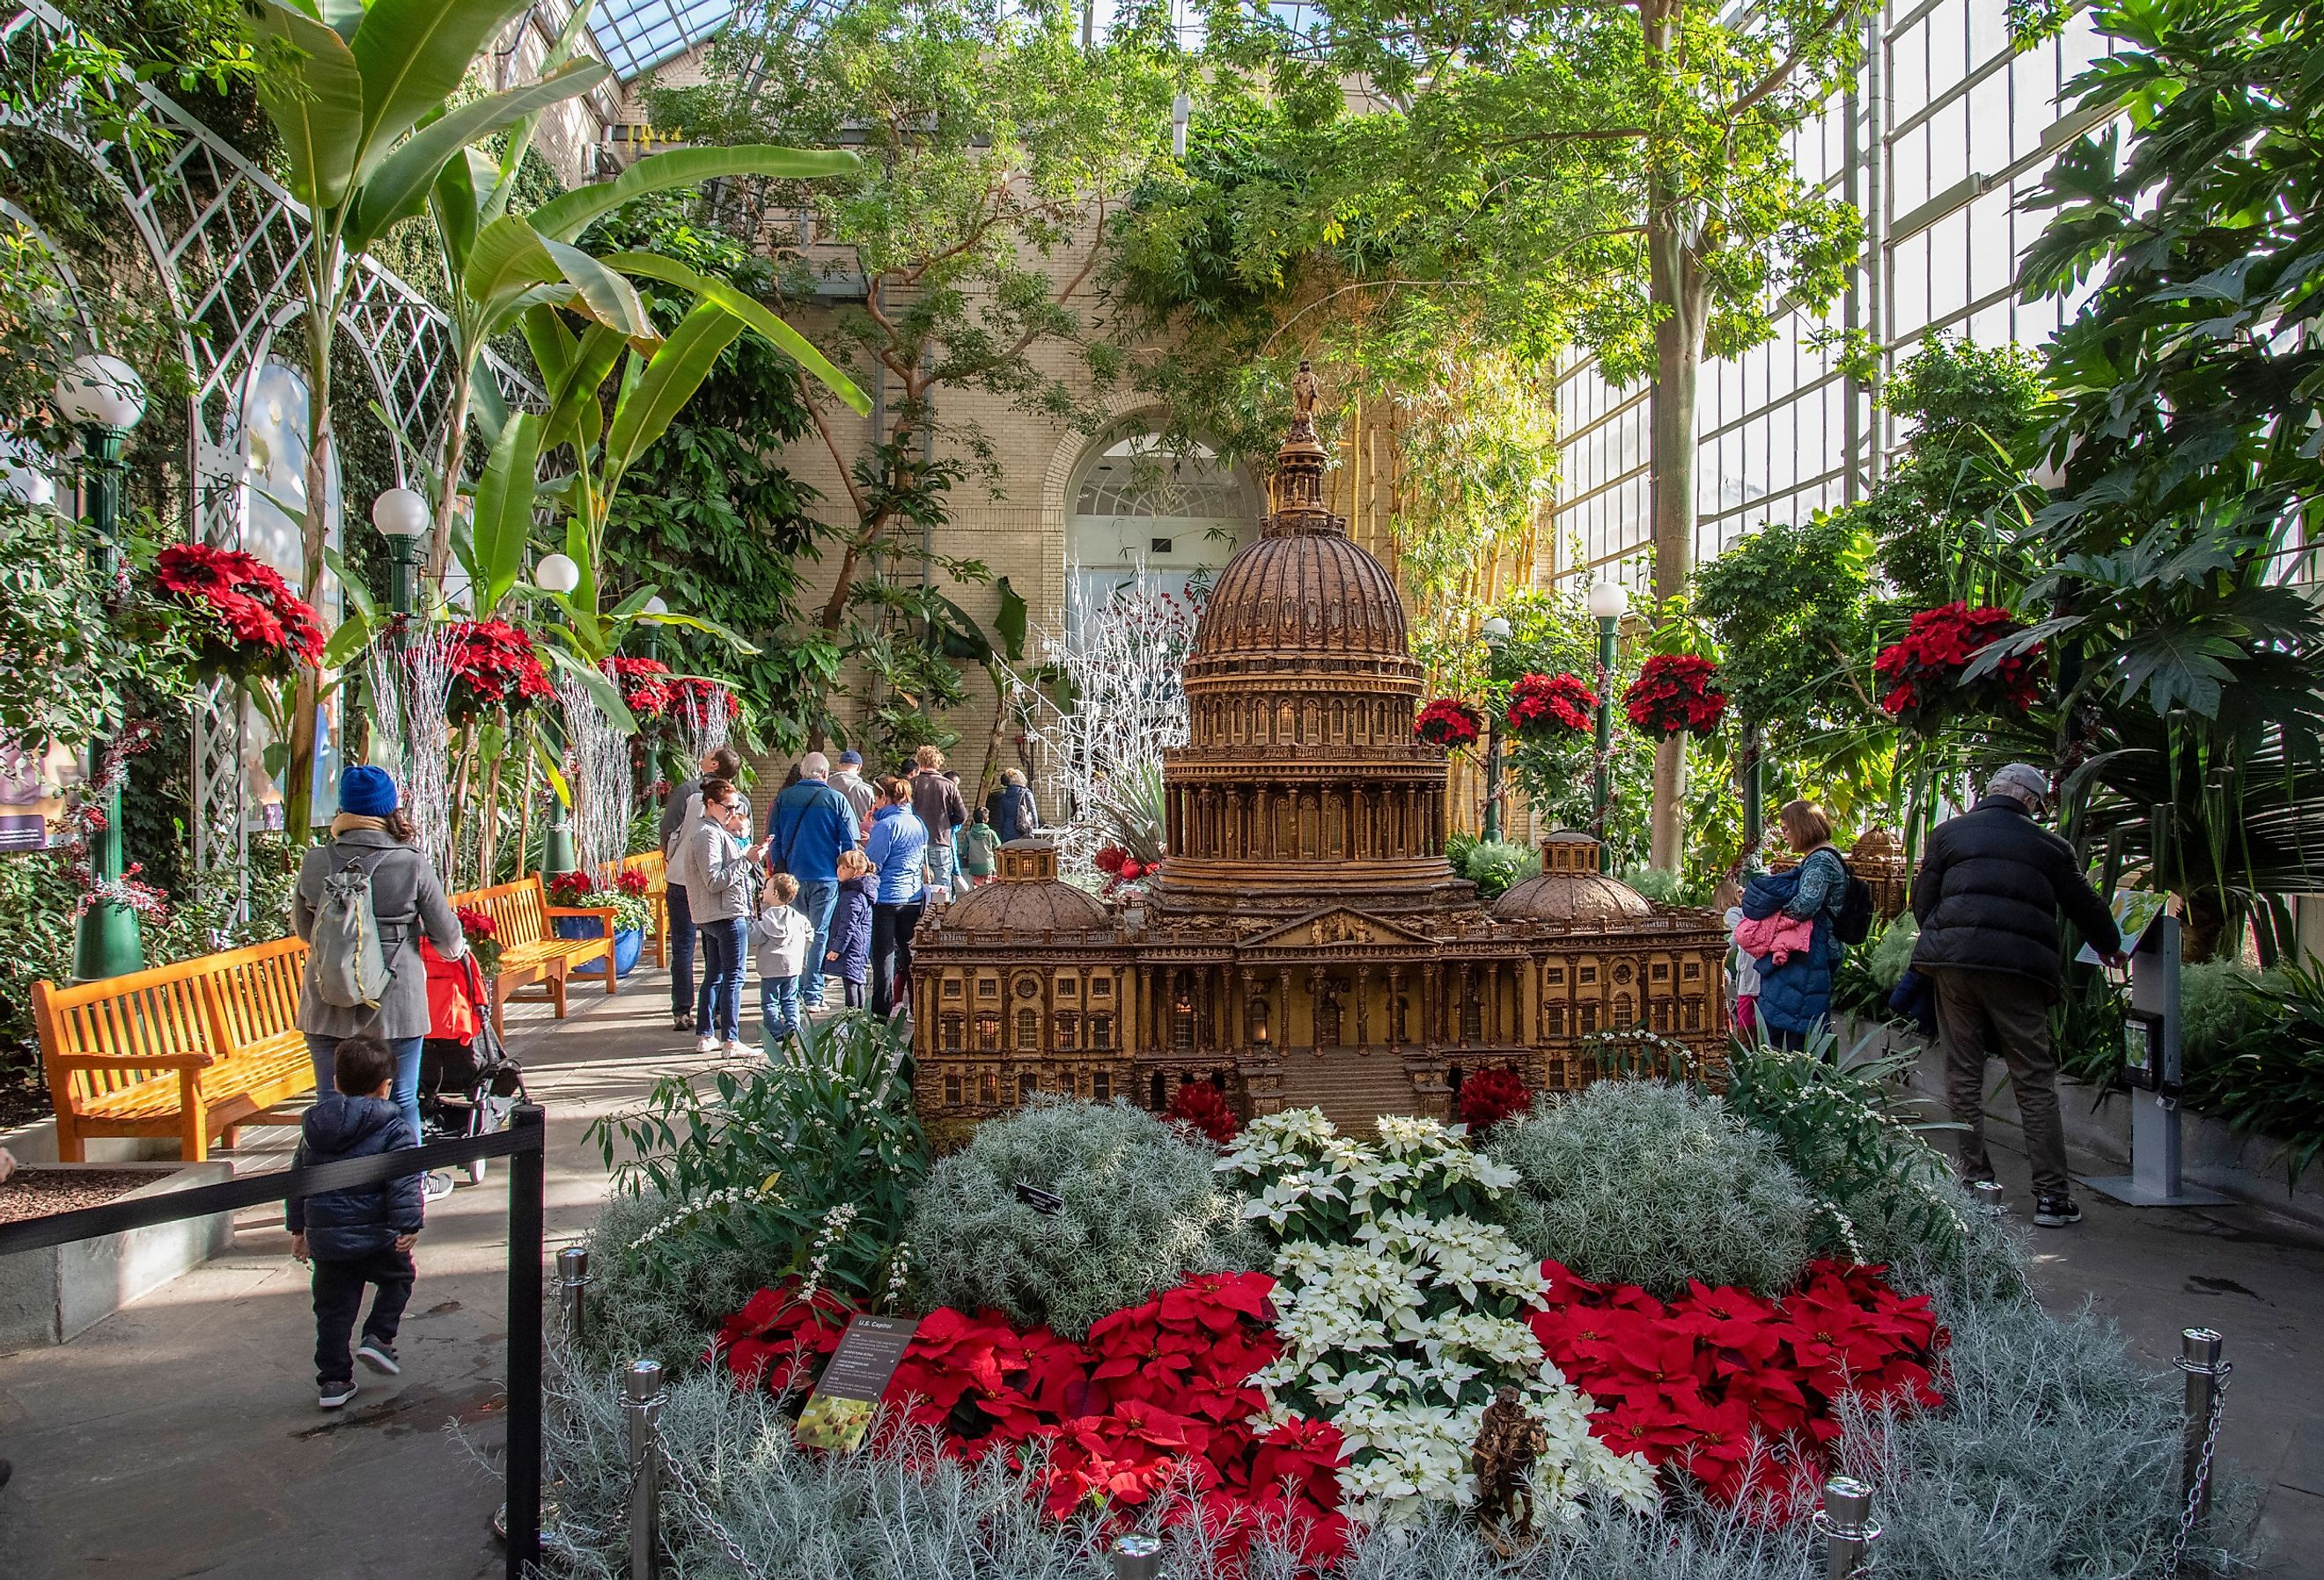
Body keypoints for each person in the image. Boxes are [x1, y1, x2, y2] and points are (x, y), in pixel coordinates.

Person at [1912, 762, 2123, 1228]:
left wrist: (1948, 938)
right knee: (2032, 1077)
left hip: (1955, 964)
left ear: (1992, 791)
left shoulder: (1948, 834)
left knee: (1963, 1073)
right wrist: (2112, 947)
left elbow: (1922, 899)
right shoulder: (2051, 846)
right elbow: (2084, 904)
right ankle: (2051, 1197)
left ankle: (1975, 1184)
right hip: (2019, 970)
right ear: (2030, 801)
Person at [292, 766, 466, 1197]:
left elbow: (302, 929)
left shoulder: (316, 861)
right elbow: (446, 935)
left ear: (345, 810)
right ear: (389, 809)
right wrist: (455, 952)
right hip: (394, 1004)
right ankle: (408, 1186)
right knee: (401, 1099)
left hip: (327, 1002)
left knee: (330, 1101)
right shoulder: (410, 863)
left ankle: (332, 1190)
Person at [289, 1035, 423, 1410]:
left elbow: (297, 1180)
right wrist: (408, 1224)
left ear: (335, 1081)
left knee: (332, 1310)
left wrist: (298, 1230)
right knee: (398, 1279)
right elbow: (403, 1180)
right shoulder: (395, 1130)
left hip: (328, 1242)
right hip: (376, 1236)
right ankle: (378, 1337)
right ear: (386, 1088)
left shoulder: (314, 1130)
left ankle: (333, 1381)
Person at [1738, 799, 1850, 1050]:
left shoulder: (1820, 861)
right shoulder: (1824, 856)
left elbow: (1806, 904)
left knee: (1799, 1023)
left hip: (1814, 950)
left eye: (1787, 828)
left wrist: (1772, 918)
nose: (1784, 835)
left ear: (1802, 827)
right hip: (1816, 948)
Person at [765, 752, 859, 1012]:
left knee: (794, 935)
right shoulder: (836, 799)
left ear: (803, 773)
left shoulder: (784, 798)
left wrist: (780, 868)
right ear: (826, 774)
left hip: (793, 877)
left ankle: (791, 991)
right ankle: (813, 994)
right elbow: (849, 843)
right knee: (819, 934)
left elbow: (774, 838)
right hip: (827, 877)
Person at [682, 776, 769, 1056]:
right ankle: (730, 1039)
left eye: (736, 808)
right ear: (711, 804)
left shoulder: (712, 830)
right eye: (729, 807)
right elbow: (715, 879)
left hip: (715, 913)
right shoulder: (708, 833)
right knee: (733, 976)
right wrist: (748, 861)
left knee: (716, 975)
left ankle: (708, 1035)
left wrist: (747, 856)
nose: (733, 813)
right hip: (725, 913)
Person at [660, 746, 743, 1033]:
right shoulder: (739, 802)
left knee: (683, 947)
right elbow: (743, 842)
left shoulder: (687, 792)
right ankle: (718, 1010)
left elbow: (668, 830)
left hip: (682, 879)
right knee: (716, 949)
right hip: (715, 886)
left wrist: (671, 856)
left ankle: (683, 1011)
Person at [864, 776, 930, 1018]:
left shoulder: (886, 825)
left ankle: (880, 1015)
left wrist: (864, 848)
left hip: (886, 898)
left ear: (884, 798)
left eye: (876, 799)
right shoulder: (918, 823)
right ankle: (918, 1009)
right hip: (912, 896)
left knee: (883, 958)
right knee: (910, 955)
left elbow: (873, 864)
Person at [752, 871, 812, 1047]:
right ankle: (793, 1028)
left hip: (770, 967)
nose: (763, 891)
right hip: (792, 966)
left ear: (775, 893)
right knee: (790, 999)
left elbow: (753, 937)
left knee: (770, 1001)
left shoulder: (765, 920)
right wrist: (802, 951)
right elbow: (810, 934)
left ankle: (774, 1033)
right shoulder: (798, 918)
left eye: (767, 887)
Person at [908, 746, 968, 900]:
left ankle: (918, 921)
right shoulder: (948, 785)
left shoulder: (911, 784)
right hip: (941, 839)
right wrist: (947, 823)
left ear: (919, 761)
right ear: (938, 763)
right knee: (942, 889)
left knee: (915, 885)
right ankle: (939, 920)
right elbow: (962, 815)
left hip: (915, 842)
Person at [827, 849, 875, 1009]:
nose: (839, 870)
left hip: (851, 946)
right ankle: (858, 1019)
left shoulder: (852, 895)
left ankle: (852, 1020)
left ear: (857, 872)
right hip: (858, 944)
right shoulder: (856, 891)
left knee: (851, 983)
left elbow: (848, 925)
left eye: (845, 868)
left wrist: (837, 948)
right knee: (856, 980)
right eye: (839, 866)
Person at [986, 768, 1039, 842]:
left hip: (1007, 833)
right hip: (1023, 833)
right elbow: (1033, 814)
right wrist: (1035, 830)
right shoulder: (1026, 794)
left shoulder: (1004, 796)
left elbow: (1001, 819)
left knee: (1010, 853)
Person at [831, 749, 877, 832]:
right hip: (860, 839)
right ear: (859, 767)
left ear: (838, 765)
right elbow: (874, 817)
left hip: (830, 840)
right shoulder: (866, 790)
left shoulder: (826, 787)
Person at [958, 806, 1001, 888]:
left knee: (976, 890)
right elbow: (999, 847)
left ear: (973, 820)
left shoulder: (968, 834)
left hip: (974, 866)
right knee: (989, 889)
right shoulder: (991, 833)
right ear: (987, 819)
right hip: (988, 866)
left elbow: (965, 851)